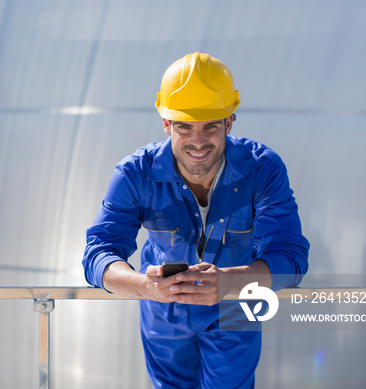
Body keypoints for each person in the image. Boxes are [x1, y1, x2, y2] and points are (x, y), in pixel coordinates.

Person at [82, 52, 309, 388]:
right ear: (165, 124)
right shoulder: (134, 174)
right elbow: (98, 254)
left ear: (230, 122)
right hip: (164, 310)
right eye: (184, 126)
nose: (198, 141)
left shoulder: (263, 170)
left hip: (235, 306)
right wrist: (145, 286)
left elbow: (291, 259)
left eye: (211, 127)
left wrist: (230, 283)